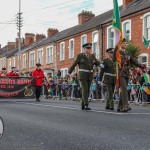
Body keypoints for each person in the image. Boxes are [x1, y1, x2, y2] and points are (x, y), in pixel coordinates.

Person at [113, 38, 145, 112]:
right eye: (124, 43)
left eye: (126, 43)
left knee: (124, 90)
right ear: (120, 44)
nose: (125, 44)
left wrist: (141, 66)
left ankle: (119, 107)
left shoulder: (128, 53)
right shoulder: (117, 52)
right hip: (120, 73)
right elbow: (114, 60)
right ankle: (125, 106)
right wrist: (115, 49)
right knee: (124, 88)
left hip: (126, 73)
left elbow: (133, 61)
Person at [68, 43, 100, 110]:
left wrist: (101, 65)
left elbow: (97, 63)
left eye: (89, 48)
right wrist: (69, 72)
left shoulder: (92, 56)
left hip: (89, 75)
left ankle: (82, 104)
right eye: (87, 48)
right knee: (85, 89)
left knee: (87, 90)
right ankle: (86, 105)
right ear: (84, 49)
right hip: (82, 75)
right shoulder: (80, 56)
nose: (89, 50)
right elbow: (75, 63)